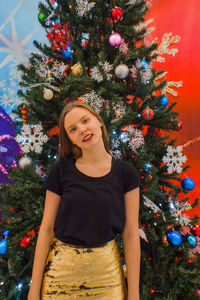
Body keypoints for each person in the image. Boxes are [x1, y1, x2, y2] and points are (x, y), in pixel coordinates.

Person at [28, 102, 141, 300]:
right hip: (60, 277)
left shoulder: (126, 173)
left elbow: (131, 234)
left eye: (85, 121)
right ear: (70, 138)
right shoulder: (61, 170)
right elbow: (46, 229)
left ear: (98, 121)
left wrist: (134, 293)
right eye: (73, 129)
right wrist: (33, 289)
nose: (82, 130)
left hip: (107, 277)